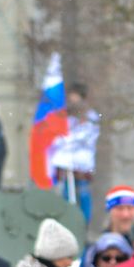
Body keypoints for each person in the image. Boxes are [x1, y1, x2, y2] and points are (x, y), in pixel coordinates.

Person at [49, 82, 100, 222]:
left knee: (83, 197)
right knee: (66, 198)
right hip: (66, 166)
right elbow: (58, 139)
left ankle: (83, 224)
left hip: (81, 167)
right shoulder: (65, 117)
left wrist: (69, 140)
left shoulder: (90, 117)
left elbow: (84, 138)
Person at [70, 185, 134, 267]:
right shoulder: (97, 246)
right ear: (110, 211)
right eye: (119, 208)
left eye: (130, 208)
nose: (125, 215)